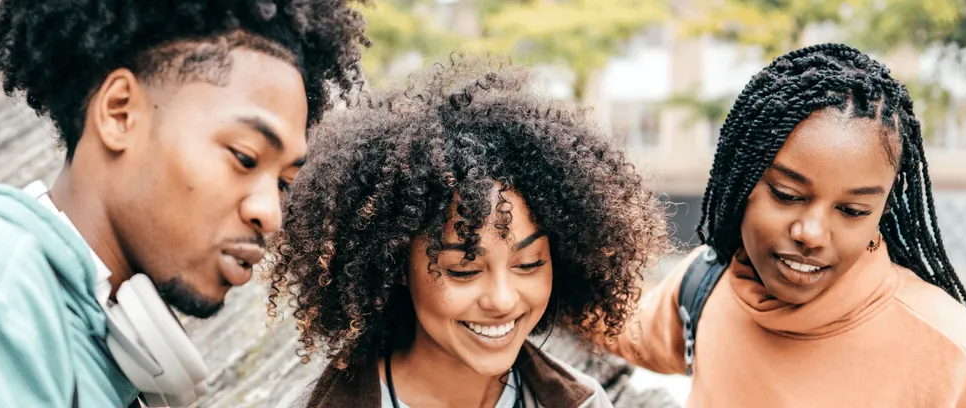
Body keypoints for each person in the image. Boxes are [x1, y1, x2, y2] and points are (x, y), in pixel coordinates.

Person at [0, 1, 369, 406]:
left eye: (285, 184)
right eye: (245, 157)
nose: (269, 214)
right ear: (119, 113)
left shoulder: (90, 340)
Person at [603, 44, 966, 407]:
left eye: (852, 211)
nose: (811, 234)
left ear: (882, 212)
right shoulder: (702, 286)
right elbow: (598, 326)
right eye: (786, 194)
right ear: (739, 181)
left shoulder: (953, 351)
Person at [267, 58, 670, 408]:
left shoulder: (582, 403)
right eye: (464, 270)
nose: (502, 299)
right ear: (398, 267)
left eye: (529, 264)